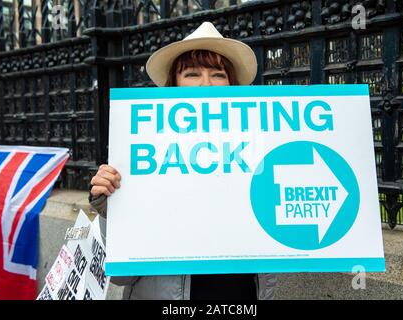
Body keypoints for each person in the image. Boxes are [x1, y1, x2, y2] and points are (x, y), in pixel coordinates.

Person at [89, 21, 277, 300]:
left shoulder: (262, 149)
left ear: (231, 84)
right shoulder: (142, 153)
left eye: (217, 74)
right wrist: (110, 206)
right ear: (173, 85)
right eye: (192, 73)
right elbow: (120, 274)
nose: (206, 85)